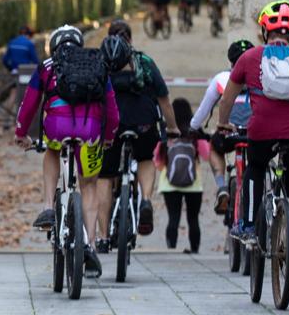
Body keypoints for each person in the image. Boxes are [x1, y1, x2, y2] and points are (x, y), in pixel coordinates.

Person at [217, 0, 289, 282]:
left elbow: (227, 98)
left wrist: (222, 124)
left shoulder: (250, 58)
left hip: (263, 130)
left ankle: (249, 228)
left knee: (255, 167)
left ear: (264, 30)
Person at [14, 25, 119, 276]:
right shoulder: (96, 62)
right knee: (89, 185)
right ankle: (90, 245)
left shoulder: (47, 66)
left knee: (51, 150)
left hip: (57, 126)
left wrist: (21, 133)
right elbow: (113, 109)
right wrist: (108, 137)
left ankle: (49, 206)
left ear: (54, 45)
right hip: (91, 129)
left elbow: (29, 104)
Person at [94, 20, 180, 251]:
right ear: (130, 39)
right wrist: (172, 128)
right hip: (143, 121)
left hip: (111, 125)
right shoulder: (144, 61)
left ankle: (102, 237)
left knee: (104, 176)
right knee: (144, 158)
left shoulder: (100, 61)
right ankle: (145, 200)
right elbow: (164, 100)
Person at [190, 38, 254, 214]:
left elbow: (203, 111)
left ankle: (222, 187)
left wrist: (193, 127)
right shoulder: (261, 78)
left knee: (213, 148)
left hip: (229, 134)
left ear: (231, 61)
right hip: (256, 134)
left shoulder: (222, 78)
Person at [153, 98, 209, 253]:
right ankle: (195, 249)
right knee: (193, 219)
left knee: (173, 217)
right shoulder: (194, 133)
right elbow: (206, 154)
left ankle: (171, 249)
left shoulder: (167, 132)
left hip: (169, 183)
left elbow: (157, 160)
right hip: (194, 182)